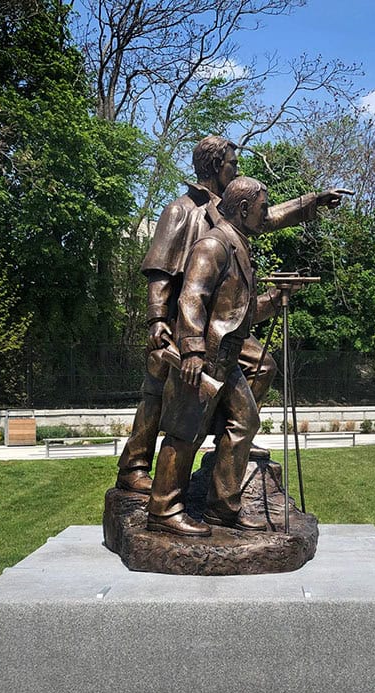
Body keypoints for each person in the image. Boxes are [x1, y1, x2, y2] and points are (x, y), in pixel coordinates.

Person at [117, 135, 349, 494]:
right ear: (215, 166)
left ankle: (230, 439)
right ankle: (134, 467)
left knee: (262, 365)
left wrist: (310, 202)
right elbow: (160, 270)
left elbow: (265, 216)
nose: (236, 170)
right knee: (158, 392)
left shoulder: (225, 209)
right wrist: (158, 319)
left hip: (221, 326)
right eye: (232, 164)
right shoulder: (181, 210)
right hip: (184, 321)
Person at [147, 177, 284, 537]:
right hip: (205, 357)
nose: (266, 214)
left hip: (227, 357)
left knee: (245, 422)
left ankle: (223, 509)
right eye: (263, 208)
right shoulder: (213, 244)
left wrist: (277, 298)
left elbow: (238, 314)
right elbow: (191, 298)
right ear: (244, 209)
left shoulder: (238, 246)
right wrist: (192, 349)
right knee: (184, 432)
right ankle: (163, 510)